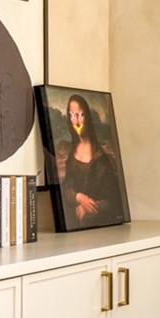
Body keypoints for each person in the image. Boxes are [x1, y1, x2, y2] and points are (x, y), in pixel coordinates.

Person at [56, 93, 123, 226]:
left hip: (101, 224)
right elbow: (66, 187)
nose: (77, 121)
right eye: (72, 115)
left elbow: (114, 199)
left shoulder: (102, 159)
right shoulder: (71, 153)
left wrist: (89, 206)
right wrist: (79, 197)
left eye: (80, 115)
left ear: (87, 117)